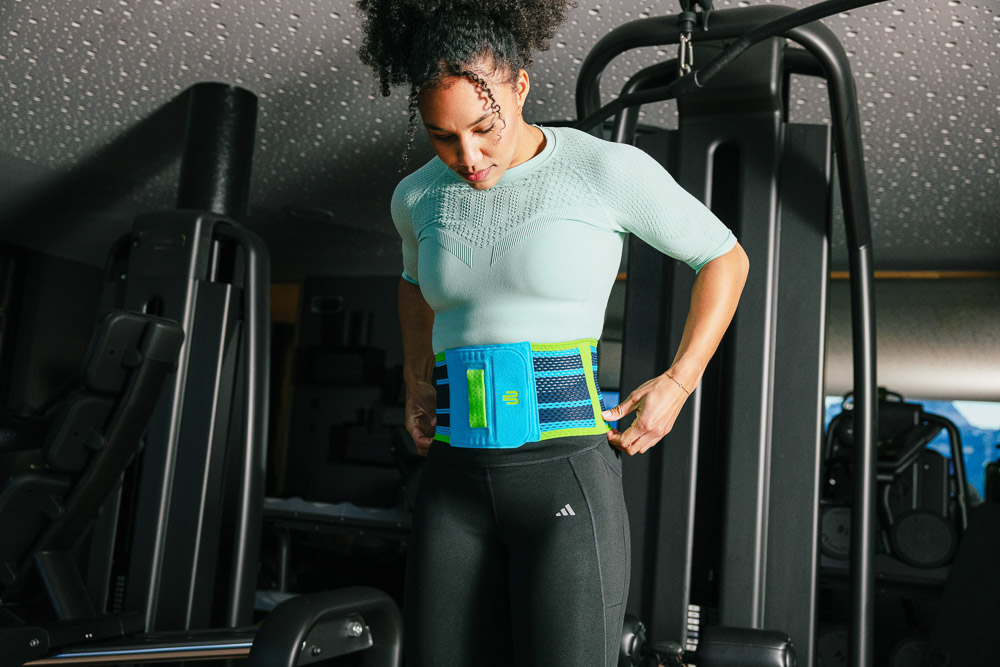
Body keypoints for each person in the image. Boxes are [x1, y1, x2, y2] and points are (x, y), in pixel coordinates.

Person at [355, 1, 749, 665]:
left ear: (521, 86)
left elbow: (723, 257)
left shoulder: (603, 170)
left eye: (484, 128)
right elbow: (410, 281)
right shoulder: (416, 196)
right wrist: (416, 374)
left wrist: (680, 381)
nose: (468, 156)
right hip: (451, 481)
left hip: (563, 474)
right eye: (442, 137)